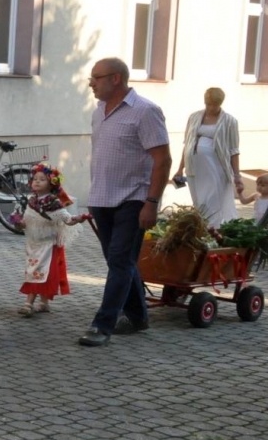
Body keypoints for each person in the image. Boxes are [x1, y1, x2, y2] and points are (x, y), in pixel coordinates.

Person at [79, 58, 171, 347]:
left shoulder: (145, 111)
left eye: (96, 77)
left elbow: (162, 160)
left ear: (116, 79)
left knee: (119, 260)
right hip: (102, 198)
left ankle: (102, 324)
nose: (91, 83)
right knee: (119, 260)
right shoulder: (98, 111)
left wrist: (152, 203)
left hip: (133, 199)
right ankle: (138, 316)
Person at [16, 164, 82, 315]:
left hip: (48, 244)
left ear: (51, 183)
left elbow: (66, 218)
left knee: (38, 271)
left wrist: (77, 219)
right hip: (33, 243)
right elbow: (27, 220)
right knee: (36, 270)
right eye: (35, 179)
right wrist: (20, 224)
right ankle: (44, 303)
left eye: (42, 179)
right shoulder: (31, 201)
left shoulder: (53, 202)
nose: (37, 182)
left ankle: (28, 303)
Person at [172, 87, 241, 228]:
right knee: (199, 202)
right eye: (208, 104)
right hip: (194, 167)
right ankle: (202, 230)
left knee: (212, 201)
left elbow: (234, 150)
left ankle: (213, 231)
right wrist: (180, 169)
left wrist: (237, 174)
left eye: (214, 104)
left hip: (216, 168)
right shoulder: (194, 117)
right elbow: (187, 144)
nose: (210, 107)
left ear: (220, 103)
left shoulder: (230, 121)